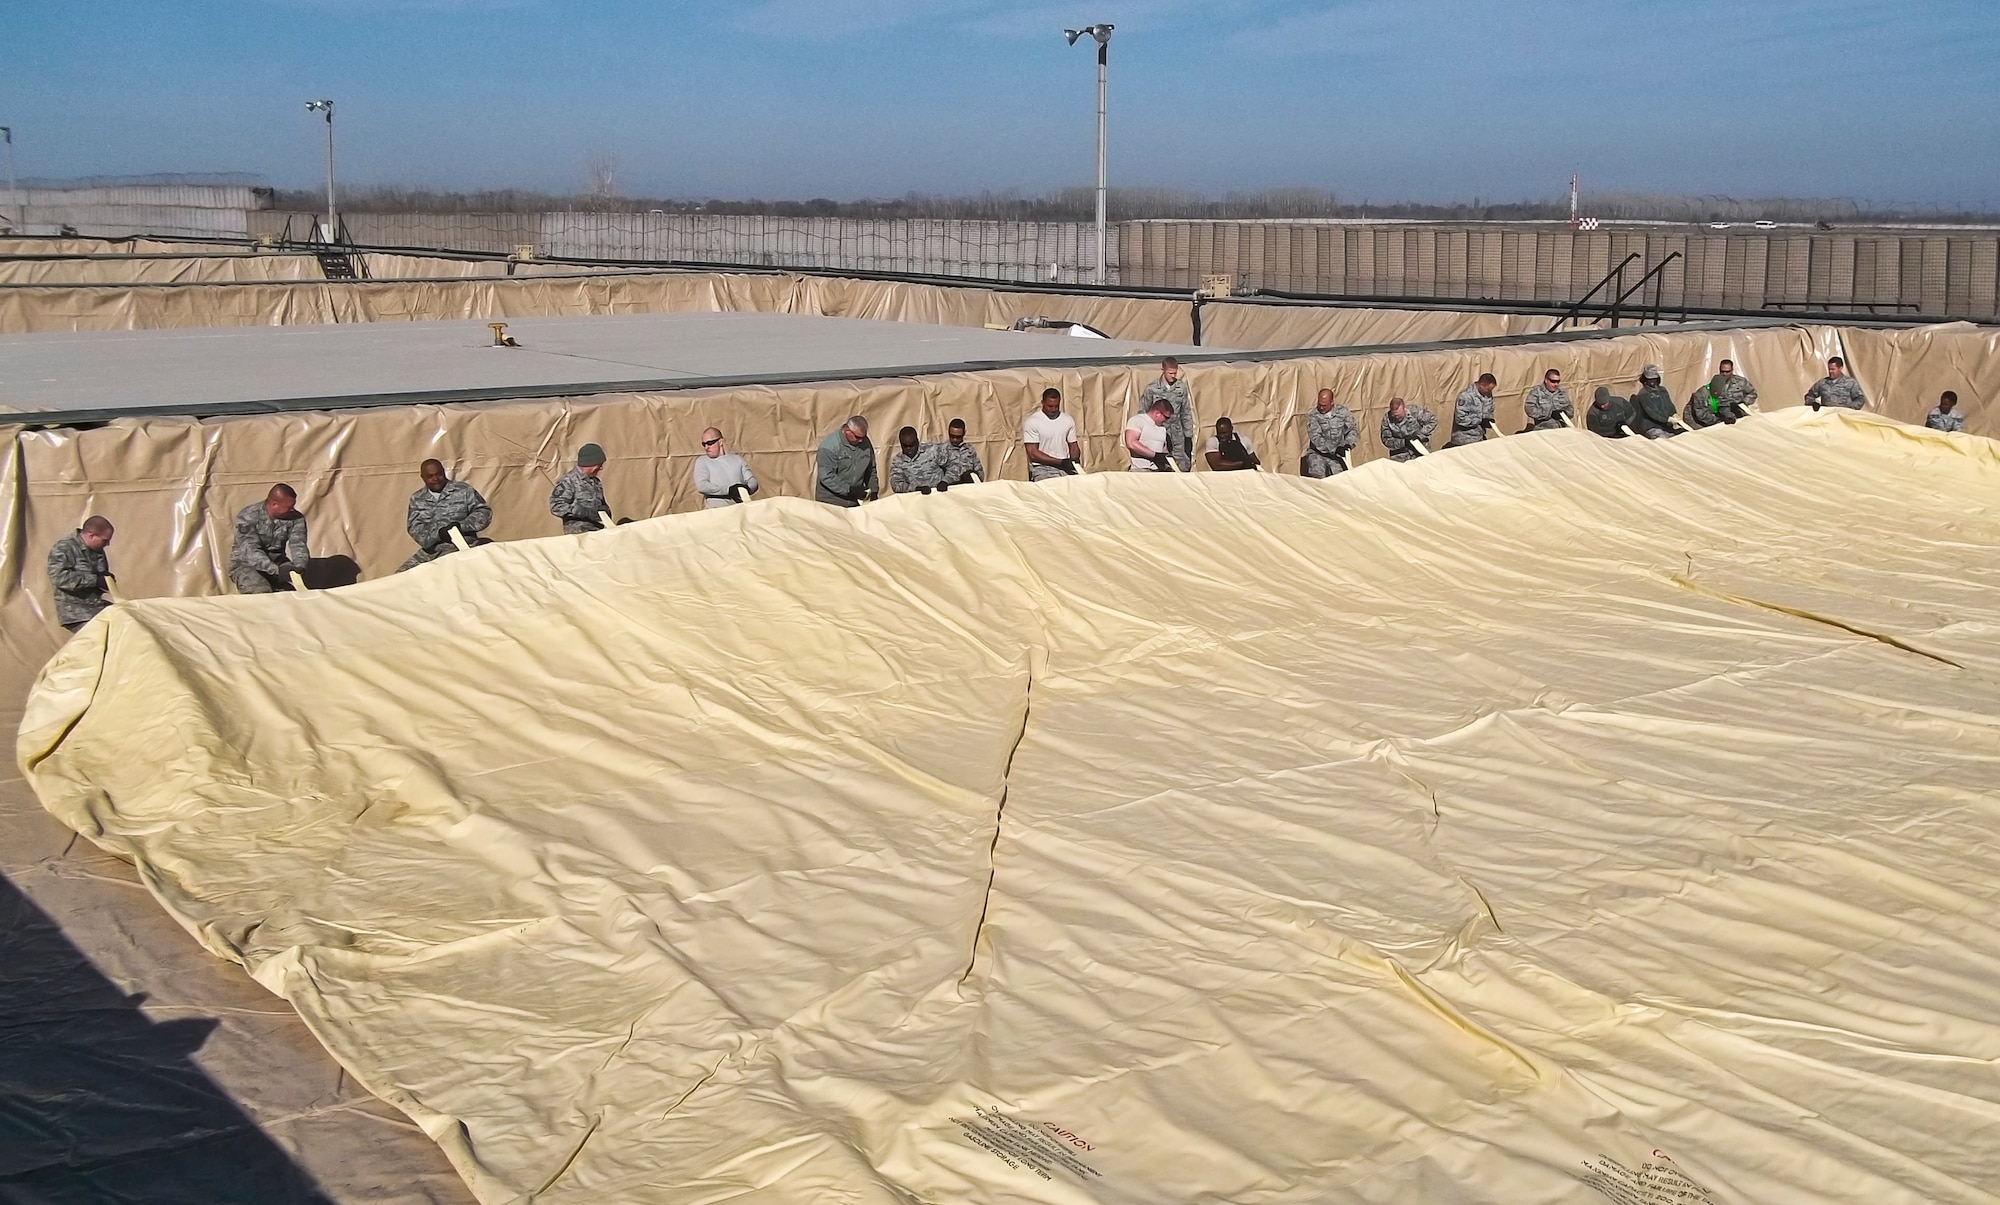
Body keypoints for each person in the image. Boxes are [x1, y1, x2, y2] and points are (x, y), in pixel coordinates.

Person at [399, 460, 493, 572]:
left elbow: (483, 512)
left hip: (463, 545)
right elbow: (415, 529)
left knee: (445, 572)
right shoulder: (417, 499)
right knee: (401, 576)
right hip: (432, 551)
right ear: (422, 477)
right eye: (430, 476)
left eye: (439, 474)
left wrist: (461, 526)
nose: (436, 479)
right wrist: (438, 534)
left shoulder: (463, 490)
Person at [230, 484, 310, 593]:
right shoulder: (249, 515)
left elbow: (298, 544)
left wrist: (299, 566)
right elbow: (250, 551)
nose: (292, 510)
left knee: (292, 596)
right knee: (261, 592)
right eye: (288, 507)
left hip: (278, 563)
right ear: (274, 504)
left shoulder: (295, 518)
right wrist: (277, 570)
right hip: (247, 565)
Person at [48, 516, 115, 633]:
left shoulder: (96, 549)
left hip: (96, 607)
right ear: (91, 535)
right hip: (77, 612)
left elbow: (98, 573)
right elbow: (59, 578)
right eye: (105, 540)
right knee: (98, 639)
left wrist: (106, 579)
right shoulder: (65, 548)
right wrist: (95, 580)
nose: (108, 544)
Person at [1139, 357, 1194, 472]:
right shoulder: (1152, 388)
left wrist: (1188, 435)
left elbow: (1186, 412)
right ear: (1163, 370)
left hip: (1176, 433)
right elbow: (1143, 411)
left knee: (1181, 463)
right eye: (1170, 373)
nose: (1173, 376)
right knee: (1161, 461)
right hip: (1159, 431)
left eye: (1175, 373)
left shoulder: (1181, 387)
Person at [815, 415, 878, 507]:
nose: (861, 441)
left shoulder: (865, 442)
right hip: (831, 502)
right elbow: (826, 476)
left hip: (855, 501)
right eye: (857, 437)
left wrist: (874, 491)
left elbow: (871, 469)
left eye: (863, 437)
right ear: (847, 431)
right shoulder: (829, 446)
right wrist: (849, 490)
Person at [548, 443, 609, 535]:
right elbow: (556, 506)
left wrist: (605, 511)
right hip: (579, 536)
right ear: (590, 463)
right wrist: (583, 512)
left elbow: (601, 504)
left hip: (598, 532)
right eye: (599, 464)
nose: (601, 468)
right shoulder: (568, 481)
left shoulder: (595, 482)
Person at [1022, 388, 1082, 481]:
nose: (1053, 409)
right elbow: (1033, 453)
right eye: (1050, 406)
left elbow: (1073, 445)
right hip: (1043, 469)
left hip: (1065, 468)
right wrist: (1060, 462)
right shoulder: (1032, 421)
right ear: (1042, 403)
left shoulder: (1067, 420)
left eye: (1056, 406)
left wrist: (1074, 460)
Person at [694, 427, 759, 508]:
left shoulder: (737, 459)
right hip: (716, 512)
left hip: (739, 510)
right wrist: (729, 490)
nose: (706, 447)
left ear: (720, 442)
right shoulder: (702, 461)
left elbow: (752, 481)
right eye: (704, 444)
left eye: (710, 443)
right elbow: (702, 485)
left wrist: (746, 489)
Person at [1302, 388, 1359, 477]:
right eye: (1320, 404)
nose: (1321, 407)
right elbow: (1316, 437)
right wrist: (1334, 449)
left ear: (1332, 402)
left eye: (1324, 405)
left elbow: (1352, 429)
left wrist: (1348, 445)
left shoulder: (1343, 412)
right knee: (1317, 472)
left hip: (1338, 456)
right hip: (1318, 453)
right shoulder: (1313, 415)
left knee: (1340, 476)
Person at [1685, 360, 1755, 427]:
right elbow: (1702, 413)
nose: (1724, 374)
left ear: (1732, 370)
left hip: (1735, 416)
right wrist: (1720, 420)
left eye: (1727, 372)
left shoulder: (1741, 382)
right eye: (1722, 371)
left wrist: (1742, 404)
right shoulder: (1710, 389)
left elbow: (1752, 393)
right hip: (1711, 419)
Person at [888, 426, 944, 495]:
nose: (908, 448)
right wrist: (916, 489)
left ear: (917, 441)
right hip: (916, 500)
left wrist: (946, 481)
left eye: (911, 445)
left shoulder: (932, 451)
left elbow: (952, 465)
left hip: (939, 496)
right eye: (905, 446)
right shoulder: (898, 461)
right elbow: (896, 484)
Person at [1446, 374, 1499, 447]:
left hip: (1479, 436)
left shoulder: (1486, 394)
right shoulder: (1466, 396)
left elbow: (1489, 408)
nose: (1489, 392)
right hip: (1464, 439)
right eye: (1488, 390)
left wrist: (1488, 420)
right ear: (1482, 385)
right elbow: (1460, 419)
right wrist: (1479, 421)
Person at [1124, 397, 1175, 471]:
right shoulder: (1137, 420)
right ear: (1157, 413)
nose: (1166, 420)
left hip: (1158, 470)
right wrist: (1154, 455)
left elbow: (1163, 449)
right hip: (1140, 470)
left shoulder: (1162, 428)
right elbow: (1131, 443)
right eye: (1166, 417)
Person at [1380, 397, 1437, 461]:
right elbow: (1386, 440)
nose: (1397, 417)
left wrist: (1419, 435)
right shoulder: (1387, 419)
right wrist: (1403, 442)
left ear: (1404, 408)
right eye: (1394, 415)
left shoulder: (1415, 411)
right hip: (1400, 455)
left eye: (1399, 415)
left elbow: (1433, 421)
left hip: (1420, 451)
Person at [1629, 365, 1679, 439]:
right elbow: (1651, 413)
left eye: (1654, 379)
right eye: (1650, 379)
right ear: (1645, 380)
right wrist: (1667, 419)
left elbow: (1669, 404)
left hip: (1666, 426)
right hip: (1652, 426)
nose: (1652, 381)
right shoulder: (1643, 394)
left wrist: (1674, 414)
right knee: (1664, 441)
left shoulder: (1663, 390)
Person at [935, 418, 983, 487]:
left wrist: (973, 476)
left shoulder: (969, 450)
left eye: (958, 437)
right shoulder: (941, 450)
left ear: (964, 433)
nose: (955, 440)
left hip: (968, 489)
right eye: (952, 436)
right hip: (949, 489)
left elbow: (979, 471)